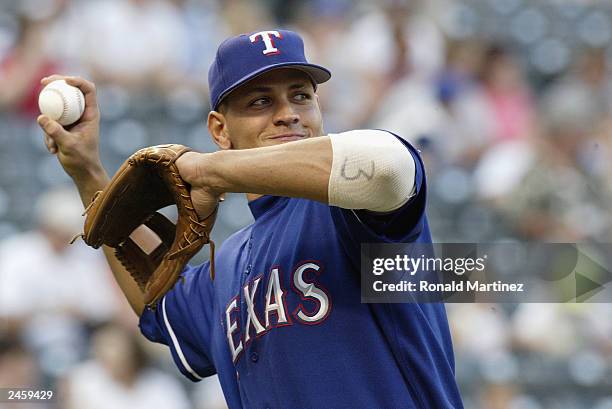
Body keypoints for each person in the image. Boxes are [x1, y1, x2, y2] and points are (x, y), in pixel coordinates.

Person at [37, 29, 463, 409]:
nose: (288, 113)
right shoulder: (231, 262)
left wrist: (206, 171)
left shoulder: (352, 213)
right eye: (261, 101)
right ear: (220, 131)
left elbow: (388, 165)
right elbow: (158, 304)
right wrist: (88, 172)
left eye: (301, 95)